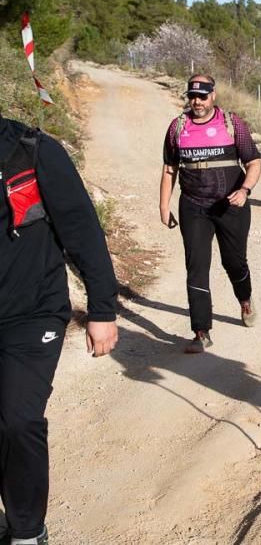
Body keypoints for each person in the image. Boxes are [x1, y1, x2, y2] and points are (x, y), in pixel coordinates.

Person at [0, 111, 119, 545]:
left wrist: (102, 309)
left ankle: (27, 531)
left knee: (18, 419)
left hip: (32, 313)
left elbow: (83, 230)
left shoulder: (32, 151)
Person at [159, 75, 261, 353]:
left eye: (202, 96)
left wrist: (245, 190)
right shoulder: (178, 127)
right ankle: (201, 331)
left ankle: (245, 299)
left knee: (234, 262)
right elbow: (170, 169)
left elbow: (253, 162)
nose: (197, 101)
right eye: (193, 96)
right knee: (196, 267)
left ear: (213, 96)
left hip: (231, 206)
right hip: (194, 206)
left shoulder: (232, 124)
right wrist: (164, 205)